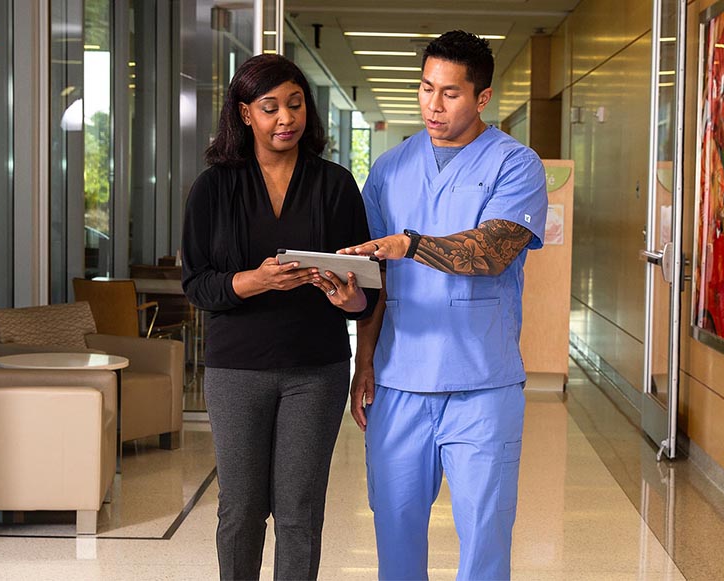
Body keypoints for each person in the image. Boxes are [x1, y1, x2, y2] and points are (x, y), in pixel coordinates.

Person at [340, 30, 548, 580]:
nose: (434, 105)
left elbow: (494, 251)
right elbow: (377, 279)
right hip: (399, 380)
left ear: (482, 98)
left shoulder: (515, 163)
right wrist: (364, 362)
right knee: (395, 531)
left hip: (482, 384)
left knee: (484, 536)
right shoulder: (389, 169)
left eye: (451, 93)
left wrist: (411, 244)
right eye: (426, 88)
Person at [181, 54, 378, 581]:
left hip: (316, 369)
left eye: (295, 104)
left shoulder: (335, 184)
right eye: (270, 108)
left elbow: (368, 289)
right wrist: (256, 280)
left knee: (299, 512)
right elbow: (197, 285)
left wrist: (349, 300)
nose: (286, 118)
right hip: (236, 369)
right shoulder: (213, 187)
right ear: (245, 113)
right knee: (241, 508)